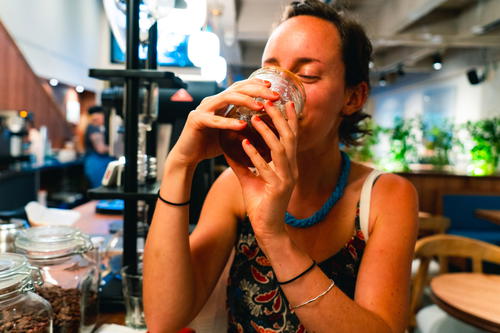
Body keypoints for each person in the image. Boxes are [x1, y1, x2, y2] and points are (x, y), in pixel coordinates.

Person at [143, 1, 418, 332]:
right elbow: (164, 319)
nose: (277, 91)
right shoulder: (235, 186)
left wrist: (273, 235)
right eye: (270, 72)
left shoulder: (386, 196)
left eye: (307, 75)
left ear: (353, 97)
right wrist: (179, 165)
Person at [83, 105, 114, 188]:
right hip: (96, 163)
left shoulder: (102, 128)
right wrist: (116, 149)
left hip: (102, 162)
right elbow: (101, 149)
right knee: (100, 190)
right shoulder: (93, 128)